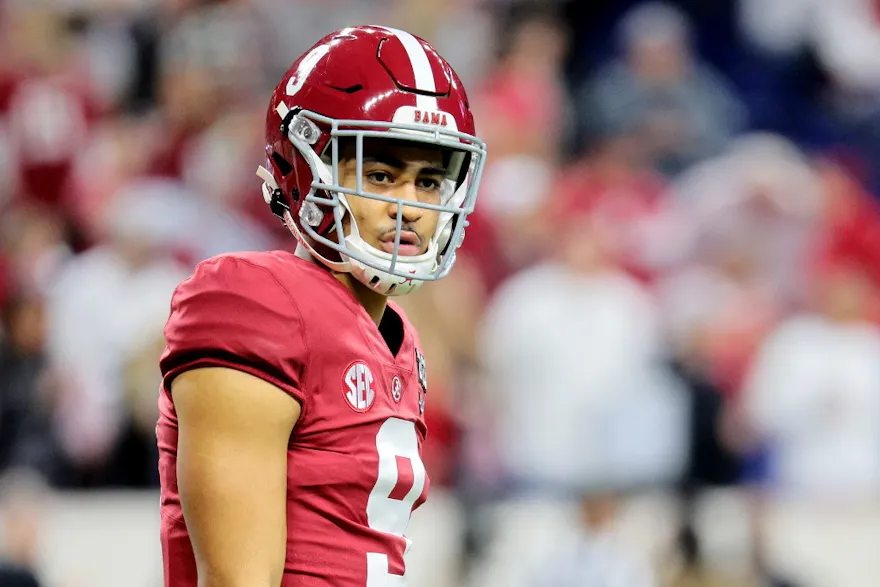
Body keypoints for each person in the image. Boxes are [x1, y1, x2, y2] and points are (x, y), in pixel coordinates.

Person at [156, 25, 486, 587]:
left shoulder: (396, 333)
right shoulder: (255, 301)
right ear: (305, 169)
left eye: (429, 182)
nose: (407, 206)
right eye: (381, 174)